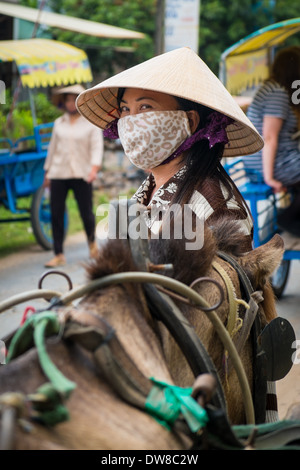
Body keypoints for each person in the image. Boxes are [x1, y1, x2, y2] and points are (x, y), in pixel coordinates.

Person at [76, 47, 263, 253]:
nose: (130, 121)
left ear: (189, 121)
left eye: (145, 107)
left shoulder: (217, 205)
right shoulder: (145, 193)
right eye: (125, 109)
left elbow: (229, 282)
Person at [44, 84, 104, 267]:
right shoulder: (58, 124)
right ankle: (59, 253)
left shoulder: (90, 124)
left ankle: (92, 245)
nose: (71, 103)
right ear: (64, 103)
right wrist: (47, 173)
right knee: (56, 213)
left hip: (82, 174)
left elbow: (96, 147)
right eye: (68, 100)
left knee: (86, 212)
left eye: (74, 100)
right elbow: (52, 149)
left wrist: (94, 168)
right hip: (59, 173)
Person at [243, 46, 300, 236]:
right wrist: (270, 178)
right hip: (268, 163)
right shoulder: (277, 94)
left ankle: (292, 216)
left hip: (276, 159)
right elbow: (269, 137)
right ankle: (288, 218)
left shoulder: (276, 89)